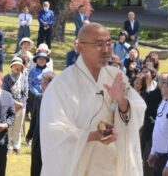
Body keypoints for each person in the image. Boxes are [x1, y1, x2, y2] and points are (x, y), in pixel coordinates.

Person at [40, 23, 146, 176]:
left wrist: (122, 103)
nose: (105, 50)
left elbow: (136, 113)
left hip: (110, 165)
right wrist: (90, 136)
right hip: (78, 167)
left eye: (109, 43)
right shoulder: (61, 85)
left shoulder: (116, 77)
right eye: (99, 44)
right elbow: (53, 130)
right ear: (80, 47)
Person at [26, 71, 55, 176]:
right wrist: (29, 135)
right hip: (38, 139)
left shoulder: (59, 100)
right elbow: (34, 119)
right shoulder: (39, 98)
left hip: (52, 140)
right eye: (42, 82)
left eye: (44, 83)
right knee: (36, 168)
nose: (42, 85)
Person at [141, 73, 167, 176]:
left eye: (167, 81)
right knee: (149, 164)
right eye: (162, 81)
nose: (164, 84)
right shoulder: (151, 96)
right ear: (158, 82)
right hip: (151, 135)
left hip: (166, 139)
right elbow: (146, 115)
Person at [2, 57, 29, 154]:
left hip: (22, 106)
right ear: (12, 66)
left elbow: (25, 93)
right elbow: (5, 93)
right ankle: (9, 146)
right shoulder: (6, 78)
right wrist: (14, 103)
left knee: (18, 127)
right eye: (15, 66)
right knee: (9, 126)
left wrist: (21, 104)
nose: (17, 68)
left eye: (19, 66)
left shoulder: (24, 78)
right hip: (9, 106)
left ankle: (17, 146)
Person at [28, 52, 52, 116]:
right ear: (36, 60)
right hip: (34, 97)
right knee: (35, 114)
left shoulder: (49, 71)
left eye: (43, 59)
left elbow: (52, 84)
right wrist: (36, 94)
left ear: (46, 60)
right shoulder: (32, 71)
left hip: (46, 95)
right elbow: (30, 84)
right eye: (39, 59)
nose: (41, 61)